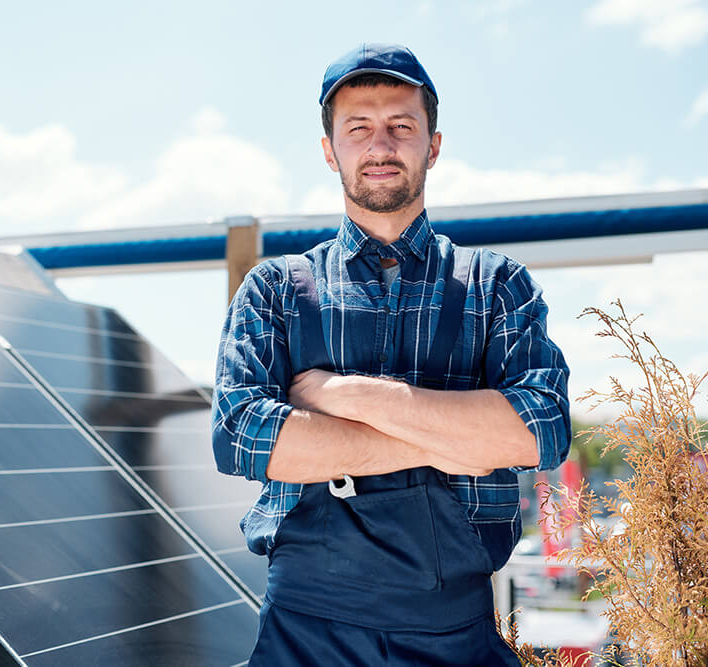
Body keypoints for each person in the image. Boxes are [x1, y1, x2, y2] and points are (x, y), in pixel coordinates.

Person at [212, 43, 571, 666]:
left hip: (453, 636)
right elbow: (245, 441)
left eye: (401, 126)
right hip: (304, 638)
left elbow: (539, 431)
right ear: (330, 150)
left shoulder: (496, 286)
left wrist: (342, 395)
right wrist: (458, 441)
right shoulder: (275, 290)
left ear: (432, 145)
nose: (380, 146)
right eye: (359, 129)